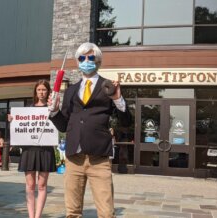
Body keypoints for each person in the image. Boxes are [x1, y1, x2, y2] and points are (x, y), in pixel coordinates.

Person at [48, 42, 131, 217]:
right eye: (82, 58)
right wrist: (54, 111)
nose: (86, 61)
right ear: (77, 62)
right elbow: (63, 125)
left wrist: (117, 98)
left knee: (106, 213)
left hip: (99, 158)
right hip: (74, 158)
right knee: (72, 212)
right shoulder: (70, 91)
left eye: (91, 57)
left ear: (98, 61)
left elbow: (125, 122)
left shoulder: (108, 87)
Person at [8, 80, 56, 218]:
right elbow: (19, 128)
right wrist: (13, 120)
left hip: (45, 150)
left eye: (44, 90)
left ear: (48, 92)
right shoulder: (27, 109)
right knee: (30, 185)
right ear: (35, 92)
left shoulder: (52, 109)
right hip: (29, 150)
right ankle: (30, 216)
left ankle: (38, 216)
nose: (41, 92)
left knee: (42, 185)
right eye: (39, 90)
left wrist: (55, 108)